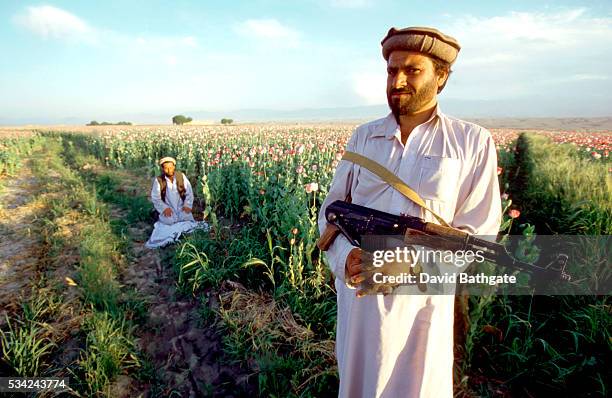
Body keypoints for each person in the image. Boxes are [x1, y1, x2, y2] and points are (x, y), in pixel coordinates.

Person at [318, 27, 502, 397]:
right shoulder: (363, 138)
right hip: (359, 303)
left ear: (441, 77)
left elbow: (478, 235)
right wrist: (344, 258)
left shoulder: (471, 142)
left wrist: (409, 266)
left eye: (412, 70)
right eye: (391, 70)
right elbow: (331, 212)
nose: (397, 80)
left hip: (421, 307)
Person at [151, 156, 196, 225]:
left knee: (187, 219)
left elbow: (189, 192)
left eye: (171, 167)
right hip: (168, 208)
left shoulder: (181, 176)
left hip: (181, 207)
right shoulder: (159, 180)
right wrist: (164, 208)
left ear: (174, 167)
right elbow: (156, 198)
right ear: (162, 169)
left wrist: (187, 205)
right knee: (169, 221)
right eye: (166, 168)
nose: (169, 170)